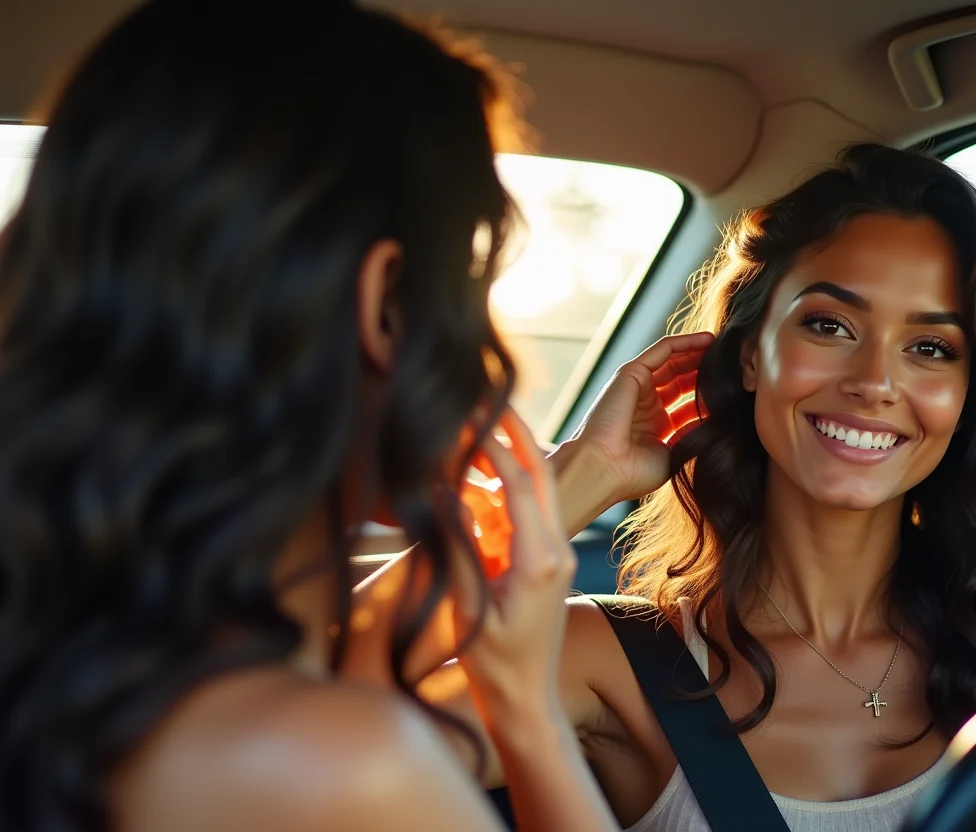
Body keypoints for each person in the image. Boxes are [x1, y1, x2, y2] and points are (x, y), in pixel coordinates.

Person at [364, 142, 976, 830]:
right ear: (747, 355)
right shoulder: (601, 657)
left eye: (930, 347)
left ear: (972, 391)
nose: (875, 382)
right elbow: (302, 714)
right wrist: (580, 478)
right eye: (829, 326)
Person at [0, 2, 619, 831]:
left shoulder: (74, 641)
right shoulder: (347, 766)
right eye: (467, 269)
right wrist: (529, 711)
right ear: (381, 303)